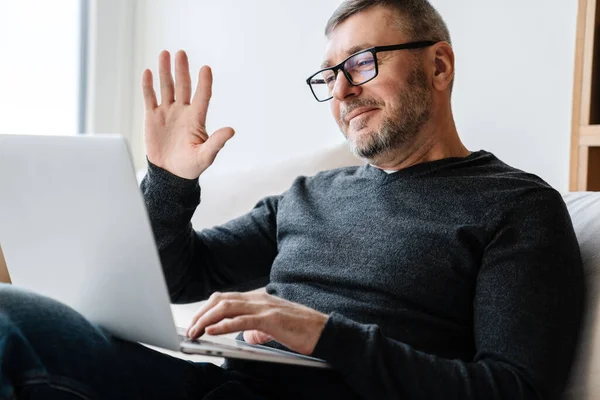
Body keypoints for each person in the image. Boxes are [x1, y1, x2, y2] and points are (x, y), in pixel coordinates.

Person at [0, 0, 584, 399]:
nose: (344, 91)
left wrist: (327, 334)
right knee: (11, 315)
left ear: (438, 64)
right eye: (329, 75)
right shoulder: (310, 196)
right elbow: (179, 276)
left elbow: (515, 388)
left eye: (361, 63)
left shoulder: (516, 206)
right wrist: (170, 182)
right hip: (221, 390)